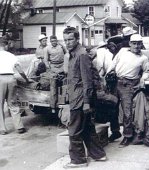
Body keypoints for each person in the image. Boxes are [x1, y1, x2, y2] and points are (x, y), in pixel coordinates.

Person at [62, 27, 106, 168]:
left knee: (74, 130)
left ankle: (78, 160)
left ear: (77, 39)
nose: (67, 42)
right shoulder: (73, 54)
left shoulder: (81, 55)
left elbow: (87, 80)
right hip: (77, 96)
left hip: (81, 98)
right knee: (87, 128)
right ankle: (99, 155)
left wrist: (86, 102)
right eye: (65, 40)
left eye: (70, 39)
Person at [107, 34, 149, 147]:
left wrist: (142, 79)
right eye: (134, 43)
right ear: (130, 43)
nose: (136, 46)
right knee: (112, 108)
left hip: (129, 85)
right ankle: (115, 132)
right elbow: (114, 63)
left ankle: (127, 136)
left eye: (139, 43)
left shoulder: (143, 58)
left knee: (127, 112)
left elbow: (147, 71)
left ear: (141, 44)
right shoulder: (122, 51)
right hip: (116, 82)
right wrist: (108, 73)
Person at [0, 37, 29, 135]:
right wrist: (26, 79)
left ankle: (2, 129)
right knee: (13, 103)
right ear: (6, 45)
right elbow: (20, 70)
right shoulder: (11, 56)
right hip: (11, 79)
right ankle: (19, 127)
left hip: (0, 79)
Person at [94, 42, 122, 142]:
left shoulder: (101, 52)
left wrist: (101, 80)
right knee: (113, 106)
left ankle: (114, 130)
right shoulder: (118, 53)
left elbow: (100, 69)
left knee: (111, 104)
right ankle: (115, 130)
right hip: (114, 81)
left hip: (110, 81)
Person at [44, 35, 66, 110]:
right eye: (52, 41)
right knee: (53, 86)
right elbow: (46, 60)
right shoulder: (47, 48)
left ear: (57, 41)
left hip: (62, 66)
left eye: (55, 41)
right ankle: (53, 106)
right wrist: (49, 67)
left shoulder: (61, 47)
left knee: (65, 84)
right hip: (53, 67)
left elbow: (67, 54)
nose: (54, 42)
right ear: (50, 42)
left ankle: (64, 102)